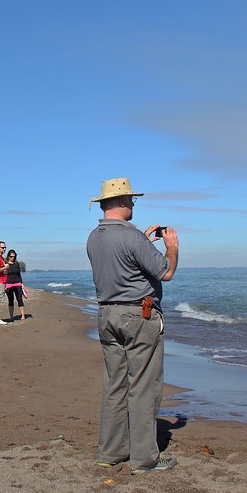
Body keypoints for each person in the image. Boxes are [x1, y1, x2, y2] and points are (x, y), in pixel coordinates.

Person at [86, 177, 179, 474]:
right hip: (139, 315)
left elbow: (122, 263)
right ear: (124, 202)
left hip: (107, 314)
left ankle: (110, 452)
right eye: (132, 200)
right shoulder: (131, 237)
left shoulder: (94, 237)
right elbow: (166, 272)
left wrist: (143, 242)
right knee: (143, 386)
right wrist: (171, 247)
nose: (133, 205)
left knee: (115, 384)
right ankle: (144, 458)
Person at [4, 249, 27, 321]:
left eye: (14, 256)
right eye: (11, 256)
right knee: (11, 300)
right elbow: (4, 275)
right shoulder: (5, 264)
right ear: (8, 256)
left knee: (19, 299)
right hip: (8, 284)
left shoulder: (17, 264)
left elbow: (19, 275)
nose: (12, 258)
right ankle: (11, 316)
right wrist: (4, 284)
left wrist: (22, 284)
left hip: (17, 283)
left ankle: (23, 315)